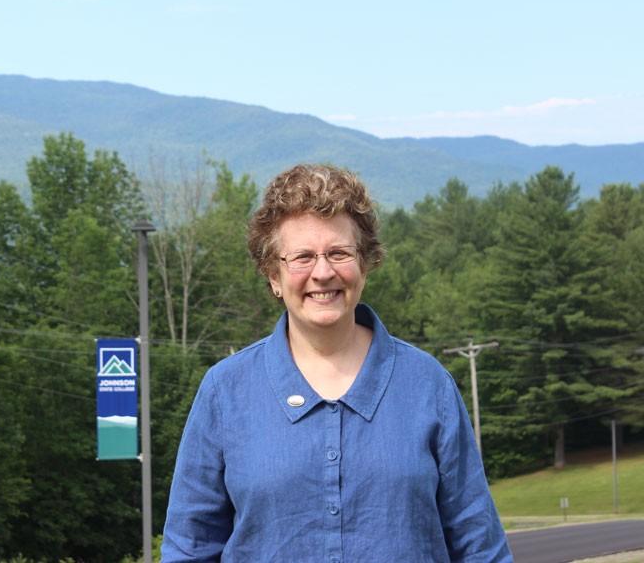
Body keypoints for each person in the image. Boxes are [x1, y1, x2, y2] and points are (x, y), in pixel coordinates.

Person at [161, 164, 512, 562]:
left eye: (339, 253)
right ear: (273, 275)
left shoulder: (427, 385)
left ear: (365, 263)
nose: (323, 272)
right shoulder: (225, 391)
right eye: (302, 257)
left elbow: (479, 545)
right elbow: (189, 548)